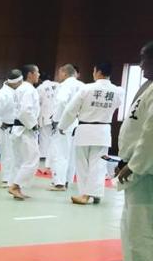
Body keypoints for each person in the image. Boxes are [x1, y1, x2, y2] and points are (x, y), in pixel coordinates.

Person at [115, 41, 153, 261]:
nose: (140, 64)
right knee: (129, 224)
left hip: (146, 172)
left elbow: (150, 135)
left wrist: (134, 164)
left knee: (142, 227)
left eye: (144, 58)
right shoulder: (148, 87)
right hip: (136, 166)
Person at [59, 62, 124, 205]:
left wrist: (62, 126)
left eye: (94, 71)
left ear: (98, 72)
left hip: (85, 130)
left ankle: (85, 194)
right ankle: (95, 193)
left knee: (82, 164)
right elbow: (117, 104)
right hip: (103, 130)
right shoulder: (118, 91)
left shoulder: (86, 89)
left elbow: (71, 110)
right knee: (99, 164)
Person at [8, 64, 41, 200]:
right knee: (32, 159)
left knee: (19, 161)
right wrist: (34, 125)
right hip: (25, 130)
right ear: (30, 74)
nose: (39, 75)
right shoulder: (29, 89)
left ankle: (16, 188)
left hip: (18, 129)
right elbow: (25, 111)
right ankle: (15, 186)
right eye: (37, 72)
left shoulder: (20, 89)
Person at [48, 64, 83, 192]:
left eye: (60, 73)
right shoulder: (82, 85)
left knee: (60, 152)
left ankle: (59, 183)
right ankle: (67, 180)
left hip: (64, 122)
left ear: (64, 73)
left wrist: (57, 120)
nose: (59, 76)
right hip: (76, 122)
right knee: (71, 154)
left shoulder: (65, 85)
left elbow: (62, 101)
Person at [0, 70, 22, 188]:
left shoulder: (15, 91)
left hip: (17, 127)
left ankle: (14, 178)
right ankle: (6, 179)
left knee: (15, 154)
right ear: (15, 82)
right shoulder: (3, 94)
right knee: (7, 153)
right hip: (7, 127)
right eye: (20, 82)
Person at [36, 72, 58, 171]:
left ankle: (44, 156)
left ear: (40, 79)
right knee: (54, 138)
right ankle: (51, 157)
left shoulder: (40, 88)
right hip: (56, 116)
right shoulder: (58, 85)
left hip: (45, 115)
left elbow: (37, 103)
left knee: (44, 137)